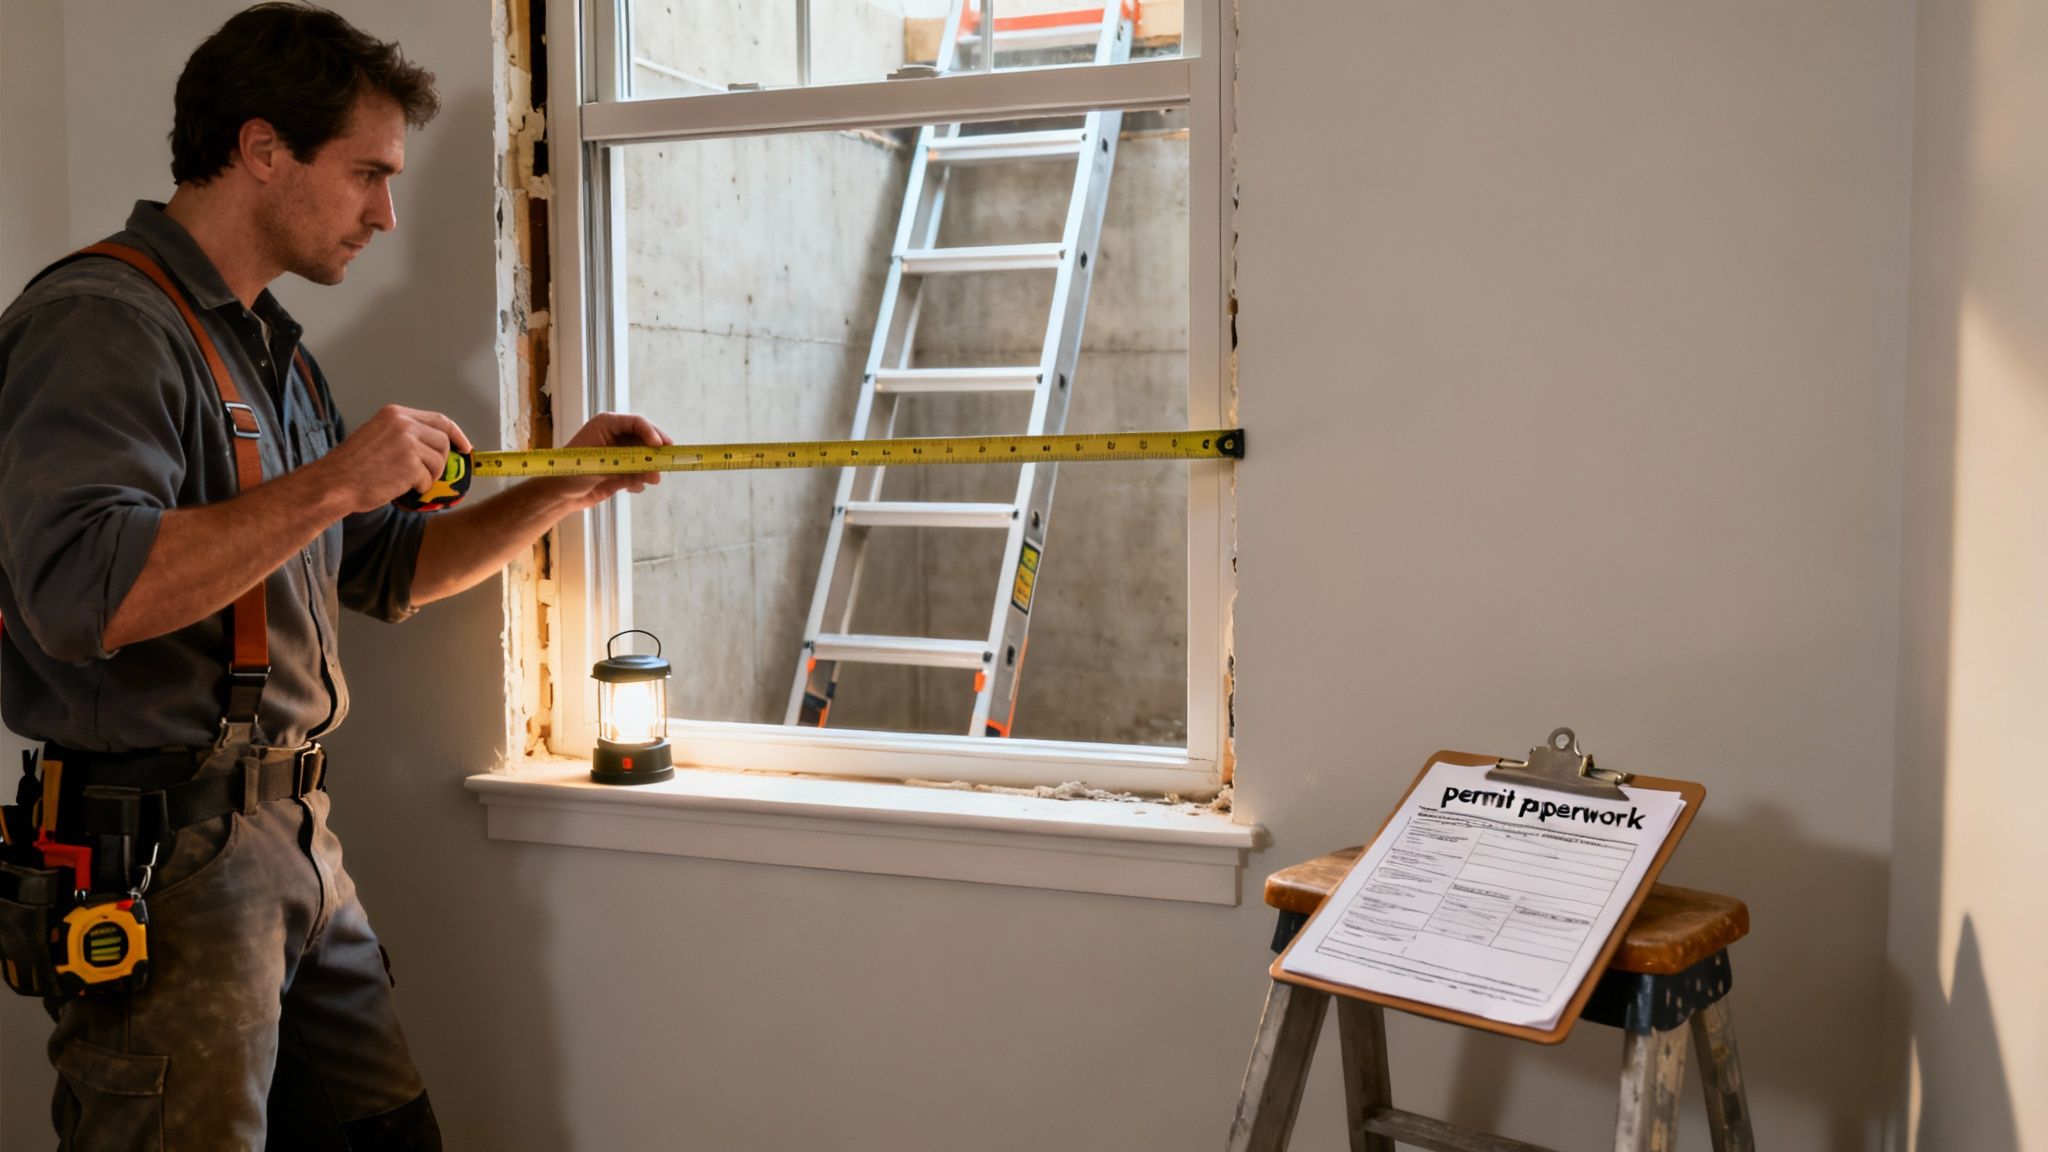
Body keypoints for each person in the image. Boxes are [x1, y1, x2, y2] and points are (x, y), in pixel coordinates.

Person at [0, 5, 665, 1148]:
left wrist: (560, 489)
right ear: (263, 149)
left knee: (387, 1132)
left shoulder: (269, 347)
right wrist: (335, 481)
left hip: (296, 835)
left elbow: (384, 568)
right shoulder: (101, 326)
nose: (384, 212)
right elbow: (79, 597)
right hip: (166, 856)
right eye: (365, 173)